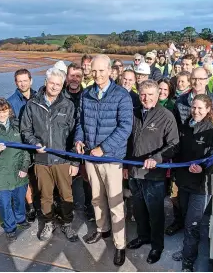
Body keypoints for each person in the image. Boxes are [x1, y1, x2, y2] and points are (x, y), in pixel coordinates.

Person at [74, 54, 133, 267]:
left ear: (110, 71)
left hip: (112, 158)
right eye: (94, 71)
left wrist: (103, 148)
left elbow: (125, 127)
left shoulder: (121, 95)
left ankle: (119, 245)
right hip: (90, 156)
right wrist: (79, 139)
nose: (98, 75)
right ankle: (102, 229)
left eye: (102, 71)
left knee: (115, 203)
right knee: (97, 198)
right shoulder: (86, 94)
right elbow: (80, 121)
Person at [20, 67, 80, 242]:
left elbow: (75, 135)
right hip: (41, 160)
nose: (54, 87)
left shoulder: (68, 105)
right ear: (45, 82)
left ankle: (67, 224)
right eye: (52, 83)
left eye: (58, 84)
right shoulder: (32, 105)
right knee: (45, 195)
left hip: (62, 160)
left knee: (66, 195)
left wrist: (75, 162)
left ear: (63, 86)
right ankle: (48, 222)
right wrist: (34, 144)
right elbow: (25, 130)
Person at [125, 80, 179, 264]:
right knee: (138, 209)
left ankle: (157, 245)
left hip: (153, 175)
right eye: (143, 94)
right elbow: (127, 141)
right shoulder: (133, 112)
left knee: (155, 212)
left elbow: (173, 144)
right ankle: (143, 236)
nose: (146, 98)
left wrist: (156, 158)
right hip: (134, 171)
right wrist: (126, 167)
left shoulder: (166, 116)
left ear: (157, 96)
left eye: (150, 94)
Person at [171, 94, 213, 272]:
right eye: (193, 107)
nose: (196, 111)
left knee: (193, 224)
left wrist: (203, 169)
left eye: (200, 108)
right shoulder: (185, 127)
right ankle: (187, 251)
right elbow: (176, 150)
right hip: (184, 182)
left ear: (208, 110)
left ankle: (188, 262)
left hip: (202, 186)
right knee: (186, 219)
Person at [0, 98, 31, 241]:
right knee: (4, 203)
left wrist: (24, 167)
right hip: (0, 173)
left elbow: (26, 150)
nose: (2, 114)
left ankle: (21, 219)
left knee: (19, 199)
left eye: (4, 111)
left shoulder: (18, 126)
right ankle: (10, 227)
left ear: (9, 110)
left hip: (18, 170)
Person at [64, 63, 95, 222]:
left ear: (82, 78)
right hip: (63, 145)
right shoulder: (60, 96)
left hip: (83, 145)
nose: (74, 79)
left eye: (78, 76)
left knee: (86, 178)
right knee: (64, 181)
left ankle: (89, 209)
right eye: (71, 75)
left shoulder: (88, 96)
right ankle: (66, 211)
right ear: (66, 77)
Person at [7, 69, 38, 222]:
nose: (23, 83)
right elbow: (12, 126)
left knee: (41, 175)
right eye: (20, 81)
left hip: (38, 143)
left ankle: (44, 202)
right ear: (15, 82)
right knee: (25, 177)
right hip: (22, 144)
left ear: (31, 81)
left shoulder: (39, 96)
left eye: (25, 80)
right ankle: (31, 207)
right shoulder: (11, 102)